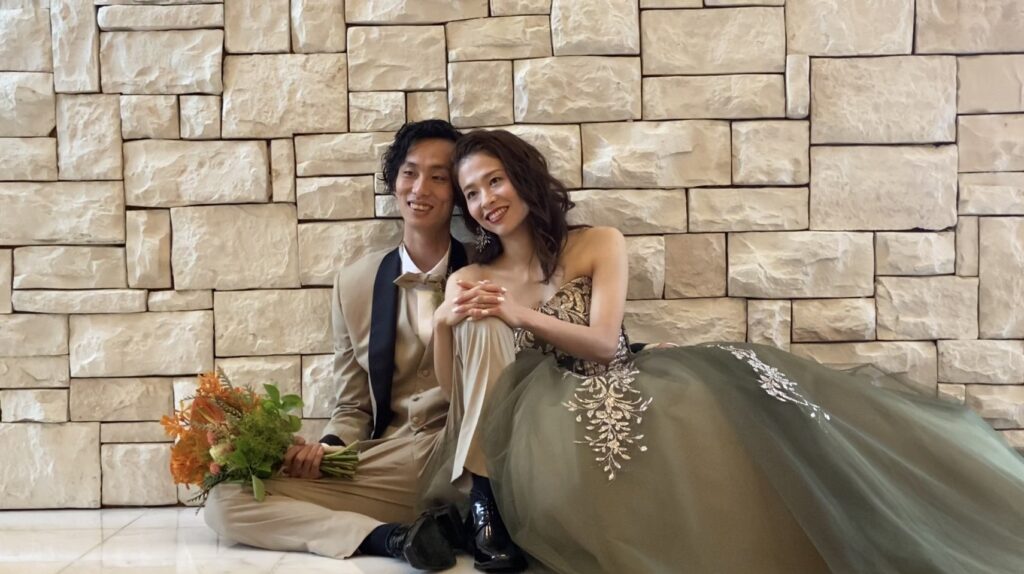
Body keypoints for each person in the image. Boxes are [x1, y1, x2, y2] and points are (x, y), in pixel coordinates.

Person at [429, 129, 1024, 574]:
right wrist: (442, 324)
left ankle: (870, 511)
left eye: (495, 181)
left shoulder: (597, 243)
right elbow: (461, 395)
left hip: (616, 373)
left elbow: (605, 344)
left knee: (747, 412)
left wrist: (520, 314)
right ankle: (486, 501)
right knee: (477, 321)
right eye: (471, 193)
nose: (486, 200)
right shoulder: (472, 278)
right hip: (534, 418)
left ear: (524, 177)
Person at [204, 120, 470, 571]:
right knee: (227, 500)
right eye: (409, 172)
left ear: (458, 191)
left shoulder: (490, 271)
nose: (420, 188)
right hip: (389, 464)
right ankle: (394, 538)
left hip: (464, 457)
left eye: (439, 177)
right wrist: (327, 449)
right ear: (394, 182)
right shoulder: (354, 283)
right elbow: (353, 406)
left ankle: (454, 517)